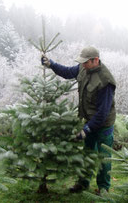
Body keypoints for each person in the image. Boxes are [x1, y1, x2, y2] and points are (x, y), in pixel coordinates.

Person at [41, 46, 116, 194]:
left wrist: (86, 130)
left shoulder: (105, 81)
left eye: (85, 62)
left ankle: (103, 188)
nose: (82, 65)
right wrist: (51, 64)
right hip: (89, 121)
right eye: (81, 62)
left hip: (104, 125)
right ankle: (82, 183)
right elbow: (68, 72)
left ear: (95, 60)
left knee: (103, 158)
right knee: (87, 154)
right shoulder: (83, 68)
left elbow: (102, 113)